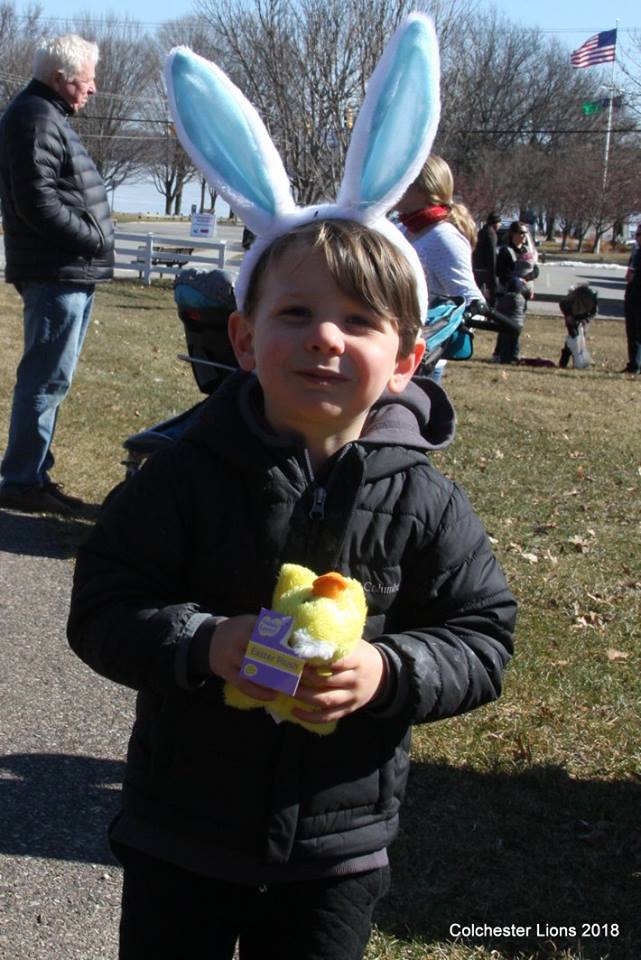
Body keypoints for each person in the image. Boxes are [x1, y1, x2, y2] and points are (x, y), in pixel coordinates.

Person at [68, 22, 516, 959]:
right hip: (179, 828)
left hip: (337, 849)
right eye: (297, 313)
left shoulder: (424, 497)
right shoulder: (184, 473)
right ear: (242, 339)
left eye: (359, 321)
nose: (325, 338)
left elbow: (482, 635)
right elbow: (104, 604)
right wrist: (204, 642)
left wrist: (390, 671)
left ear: (406, 358)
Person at [0, 33, 114, 516]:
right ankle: (21, 481)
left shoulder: (46, 116)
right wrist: (92, 236)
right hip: (57, 272)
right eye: (86, 80)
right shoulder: (35, 118)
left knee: (52, 379)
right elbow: (37, 202)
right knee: (45, 380)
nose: (91, 88)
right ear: (61, 78)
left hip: (66, 271)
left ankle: (33, 474)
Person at [395, 154, 485, 383]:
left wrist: (433, 331)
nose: (396, 186)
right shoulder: (404, 230)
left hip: (422, 359)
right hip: (394, 348)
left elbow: (470, 298)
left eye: (404, 180)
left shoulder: (444, 237)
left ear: (423, 188)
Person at [493, 260, 536, 364]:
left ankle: (504, 358)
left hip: (506, 323)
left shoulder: (506, 298)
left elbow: (499, 309)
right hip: (518, 324)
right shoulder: (521, 299)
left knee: (505, 342)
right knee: (514, 342)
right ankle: (514, 356)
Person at [558, 284, 598, 369]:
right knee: (572, 338)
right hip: (572, 316)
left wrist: (585, 321)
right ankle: (564, 362)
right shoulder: (569, 301)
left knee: (581, 339)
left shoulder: (593, 302)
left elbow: (593, 313)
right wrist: (568, 316)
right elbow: (562, 304)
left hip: (584, 318)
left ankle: (579, 361)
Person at [622, 225, 641, 374]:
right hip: (633, 296)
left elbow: (631, 276)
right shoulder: (636, 252)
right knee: (634, 332)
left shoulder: (638, 254)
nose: (636, 237)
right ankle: (634, 363)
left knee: (636, 332)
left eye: (639, 234)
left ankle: (635, 365)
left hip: (636, 297)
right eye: (636, 234)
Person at [472, 211, 502, 305]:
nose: (500, 225)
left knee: (476, 293)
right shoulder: (491, 234)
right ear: (495, 223)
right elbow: (492, 255)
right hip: (485, 270)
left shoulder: (482, 232)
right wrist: (493, 275)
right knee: (491, 297)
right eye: (499, 223)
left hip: (476, 268)